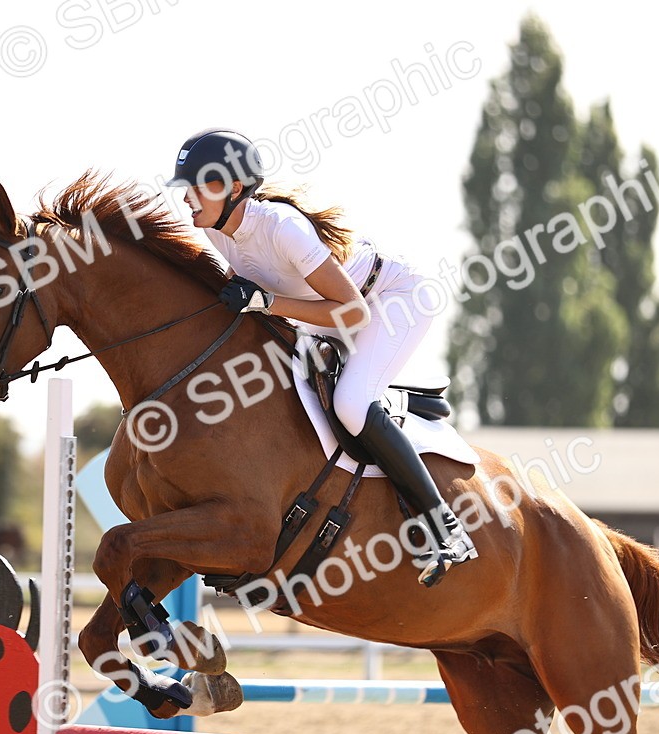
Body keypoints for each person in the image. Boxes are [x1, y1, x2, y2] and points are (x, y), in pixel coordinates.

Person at [164, 128, 478, 587]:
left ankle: (445, 527)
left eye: (199, 186)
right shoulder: (218, 230)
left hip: (389, 300)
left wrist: (266, 303)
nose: (188, 198)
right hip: (325, 315)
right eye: (185, 188)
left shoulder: (280, 227)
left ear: (234, 188)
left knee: (352, 403)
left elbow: (352, 312)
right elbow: (250, 285)